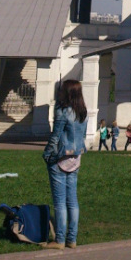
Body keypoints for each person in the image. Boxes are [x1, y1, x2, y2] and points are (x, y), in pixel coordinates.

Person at [43, 79, 88, 249]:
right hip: (76, 157)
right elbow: (82, 136)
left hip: (60, 157)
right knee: (72, 200)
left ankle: (59, 239)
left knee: (60, 201)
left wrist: (47, 154)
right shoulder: (83, 112)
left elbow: (56, 135)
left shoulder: (63, 111)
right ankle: (72, 238)